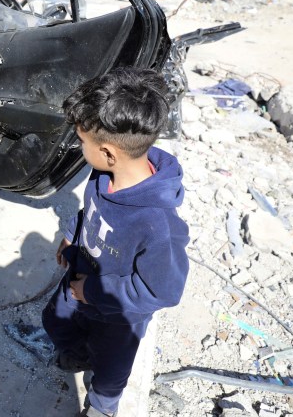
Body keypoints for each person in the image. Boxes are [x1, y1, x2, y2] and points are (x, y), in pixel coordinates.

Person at [42, 68, 189, 417]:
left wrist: (90, 291)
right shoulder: (104, 173)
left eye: (82, 142)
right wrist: (71, 233)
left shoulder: (157, 225)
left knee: (108, 376)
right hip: (80, 282)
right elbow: (91, 209)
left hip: (118, 318)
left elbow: (163, 291)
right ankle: (78, 355)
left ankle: (100, 409)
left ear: (109, 152)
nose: (79, 148)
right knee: (55, 322)